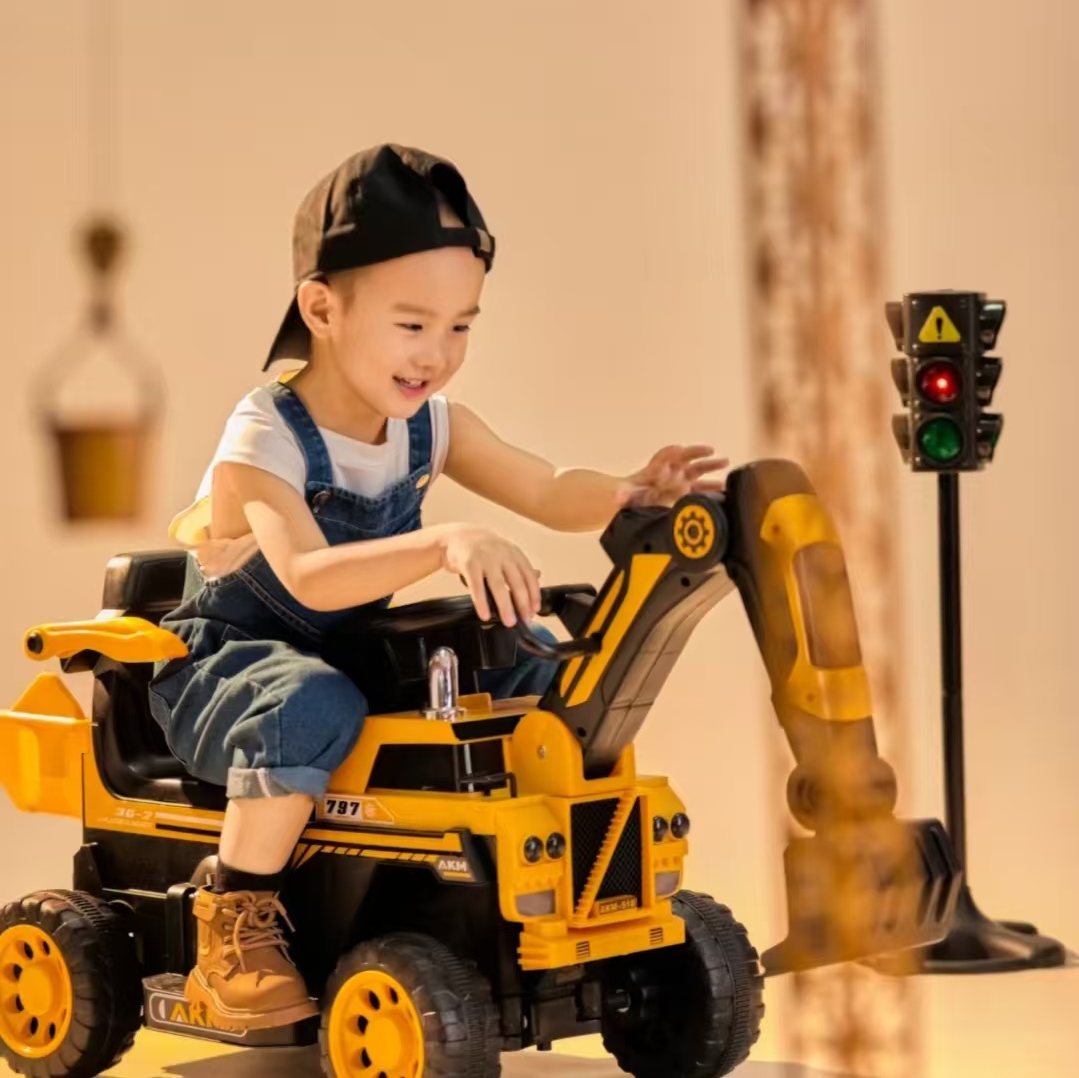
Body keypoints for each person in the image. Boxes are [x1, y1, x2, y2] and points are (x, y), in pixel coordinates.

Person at [149, 142, 728, 1033]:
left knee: (535, 658)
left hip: (349, 646)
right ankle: (235, 917)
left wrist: (628, 491)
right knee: (309, 702)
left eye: (461, 326)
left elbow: (545, 488)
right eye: (413, 324)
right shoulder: (265, 433)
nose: (438, 355)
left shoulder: (430, 425)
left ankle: (556, 875)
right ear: (322, 308)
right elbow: (305, 575)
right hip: (232, 663)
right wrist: (443, 539)